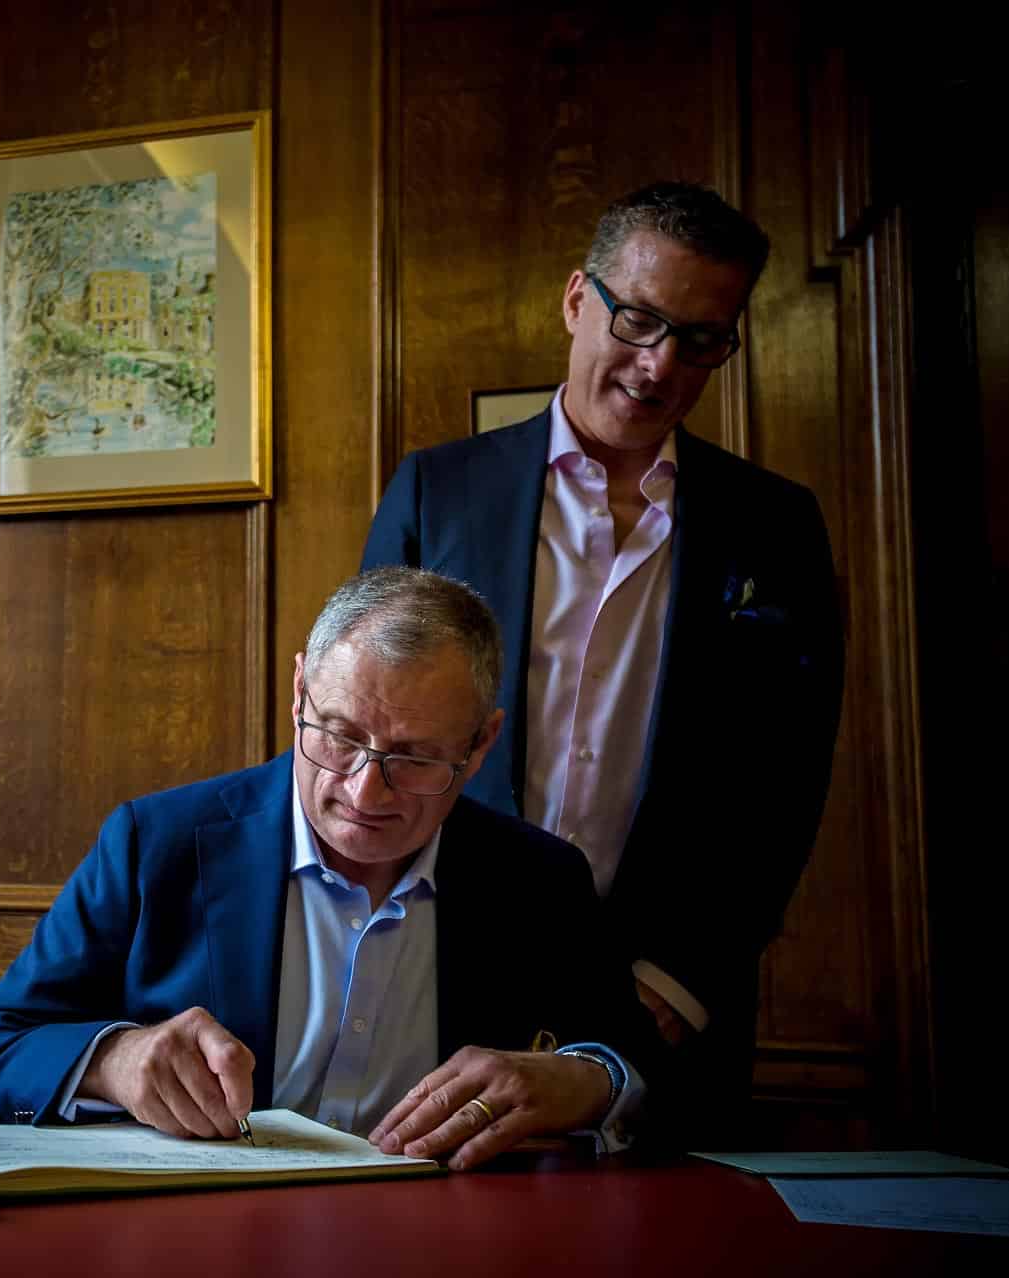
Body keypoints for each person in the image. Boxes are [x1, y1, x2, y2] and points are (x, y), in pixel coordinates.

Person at [360, 183, 844, 1135]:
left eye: (700, 339)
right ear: (578, 300)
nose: (659, 365)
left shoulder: (777, 525)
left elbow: (789, 775)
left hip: (669, 998)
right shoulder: (437, 488)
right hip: (442, 968)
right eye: (639, 320)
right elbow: (370, 724)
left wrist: (686, 976)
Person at [0, 567, 662, 1169]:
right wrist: (112, 1057)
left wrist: (587, 1083)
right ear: (300, 691)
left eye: (416, 757)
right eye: (338, 737)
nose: (365, 791)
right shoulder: (158, 843)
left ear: (480, 745)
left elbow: (672, 1089)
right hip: (198, 1243)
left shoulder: (539, 879)